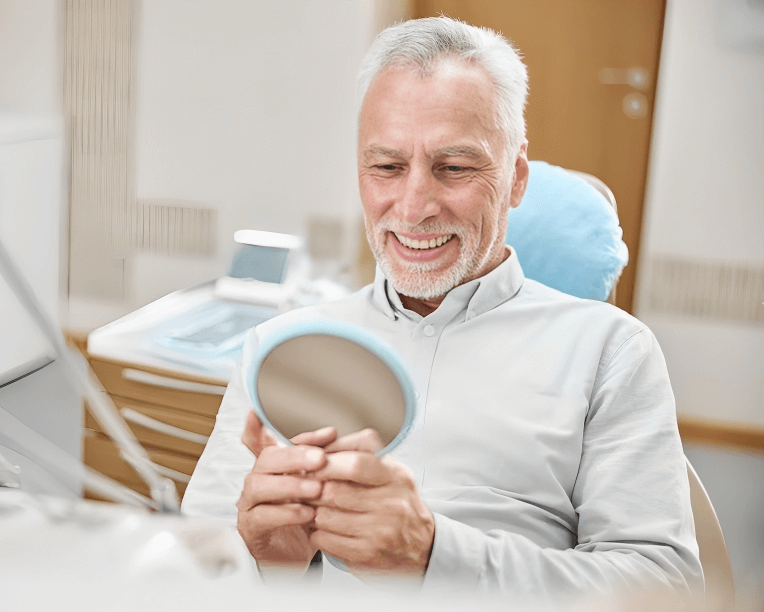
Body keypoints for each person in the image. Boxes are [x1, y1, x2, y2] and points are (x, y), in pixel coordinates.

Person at [182, 16, 703, 599]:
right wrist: (275, 567)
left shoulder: (609, 349)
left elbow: (666, 590)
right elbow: (191, 565)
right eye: (387, 166)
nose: (414, 206)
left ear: (516, 180)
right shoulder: (283, 346)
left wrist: (435, 556)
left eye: (453, 168)